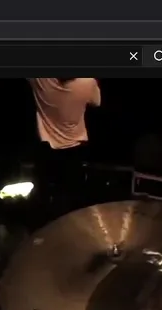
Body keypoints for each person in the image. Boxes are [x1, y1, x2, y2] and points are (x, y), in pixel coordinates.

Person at [27, 78, 101, 215]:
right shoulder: (87, 81)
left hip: (46, 149)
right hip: (75, 149)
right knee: (72, 200)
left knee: (45, 197)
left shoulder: (42, 79)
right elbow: (96, 102)